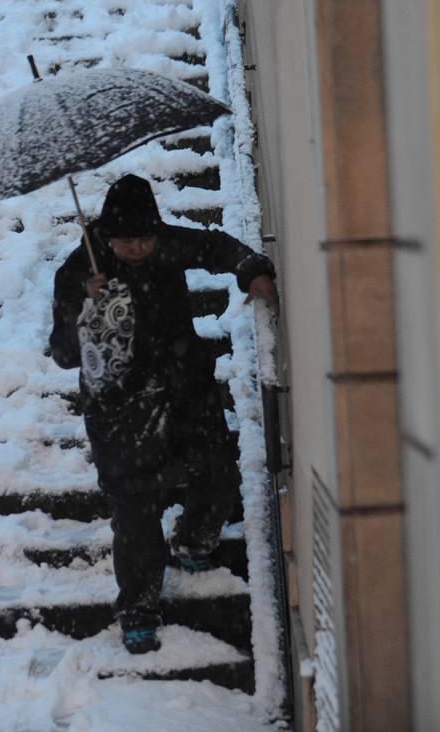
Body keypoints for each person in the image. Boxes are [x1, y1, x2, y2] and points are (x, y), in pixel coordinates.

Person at [48, 174, 279, 655]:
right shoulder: (80, 269)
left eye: (145, 238)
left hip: (183, 392)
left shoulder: (167, 247)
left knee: (217, 476)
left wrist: (251, 269)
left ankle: (194, 541)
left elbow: (213, 247)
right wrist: (87, 305)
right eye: (126, 240)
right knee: (135, 514)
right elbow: (65, 355)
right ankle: (138, 609)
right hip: (118, 413)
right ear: (108, 234)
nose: (137, 248)